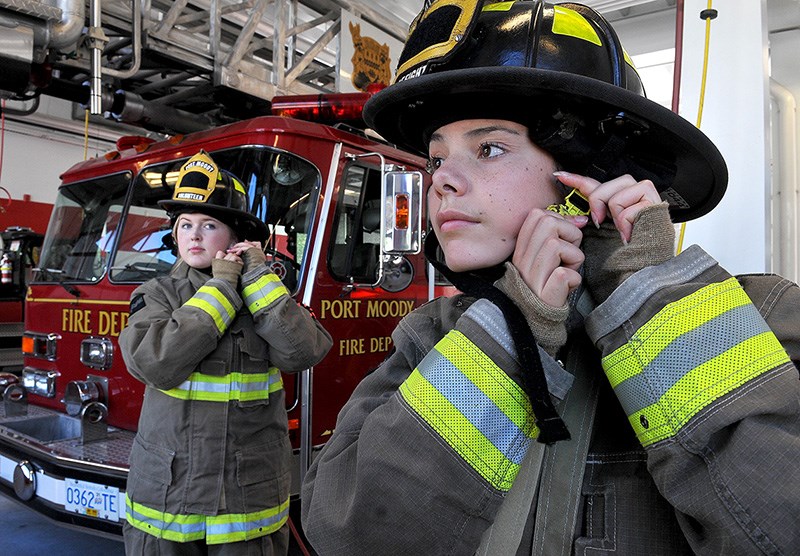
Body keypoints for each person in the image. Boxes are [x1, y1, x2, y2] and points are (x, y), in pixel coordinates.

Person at [300, 1, 800, 554]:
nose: (442, 183)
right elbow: (350, 537)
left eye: (489, 148)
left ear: (590, 175)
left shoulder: (763, 317)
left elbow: (777, 528)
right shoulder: (431, 338)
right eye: (437, 159)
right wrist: (511, 332)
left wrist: (648, 296)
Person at [119, 150, 333, 555]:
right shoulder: (156, 294)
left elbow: (303, 352)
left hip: (245, 505)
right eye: (184, 225)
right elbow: (155, 361)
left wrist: (255, 277)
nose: (193, 235)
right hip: (168, 503)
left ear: (236, 238)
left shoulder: (265, 296)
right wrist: (220, 289)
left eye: (208, 224)